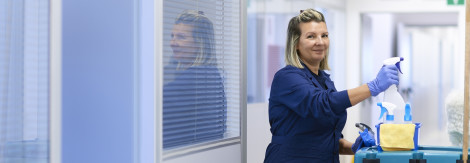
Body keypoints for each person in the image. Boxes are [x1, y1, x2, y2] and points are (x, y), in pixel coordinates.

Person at [263, 9, 399, 163]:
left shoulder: (325, 81)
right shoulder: (287, 77)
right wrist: (372, 87)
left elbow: (326, 139)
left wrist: (354, 147)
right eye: (311, 36)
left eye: (324, 35)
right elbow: (321, 104)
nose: (320, 42)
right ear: (296, 44)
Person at [162, 10, 227, 149]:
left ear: (200, 43)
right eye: (172, 36)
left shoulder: (197, 79)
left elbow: (148, 104)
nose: (172, 43)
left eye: (181, 37)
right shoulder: (210, 74)